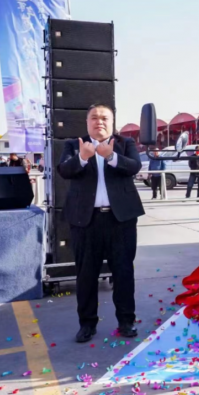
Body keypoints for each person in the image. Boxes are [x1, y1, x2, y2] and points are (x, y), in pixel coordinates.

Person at [57, 104, 144, 343]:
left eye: (104, 118)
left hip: (121, 221)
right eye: (94, 118)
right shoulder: (74, 145)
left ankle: (126, 322)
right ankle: (87, 324)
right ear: (87, 123)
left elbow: (134, 167)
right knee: (86, 275)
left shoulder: (125, 143)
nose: (99, 122)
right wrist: (83, 158)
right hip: (85, 221)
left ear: (112, 121)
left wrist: (111, 156)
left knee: (124, 273)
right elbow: (64, 170)